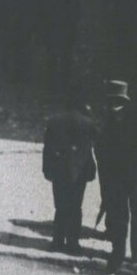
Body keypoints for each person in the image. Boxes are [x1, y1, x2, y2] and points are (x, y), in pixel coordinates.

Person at [95, 80, 137, 272]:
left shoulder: (107, 127)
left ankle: (118, 255)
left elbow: (101, 153)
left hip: (117, 182)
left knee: (119, 218)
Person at [41, 97, 99, 253]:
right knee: (75, 207)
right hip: (79, 172)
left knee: (60, 206)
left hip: (59, 170)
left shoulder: (54, 121)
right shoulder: (87, 123)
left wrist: (46, 169)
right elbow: (94, 145)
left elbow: (47, 148)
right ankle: (73, 243)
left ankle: (57, 242)